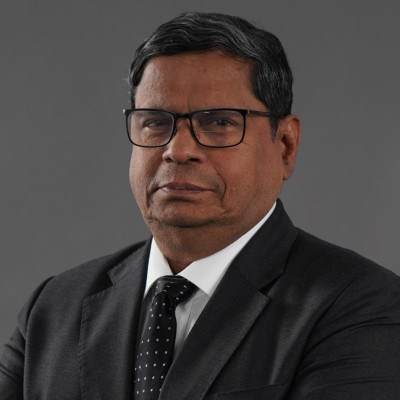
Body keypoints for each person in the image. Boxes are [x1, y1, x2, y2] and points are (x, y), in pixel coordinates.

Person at [1, 11, 400, 400]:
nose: (178, 150)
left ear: (285, 146)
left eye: (219, 122)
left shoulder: (361, 306)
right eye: (156, 121)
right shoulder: (54, 307)